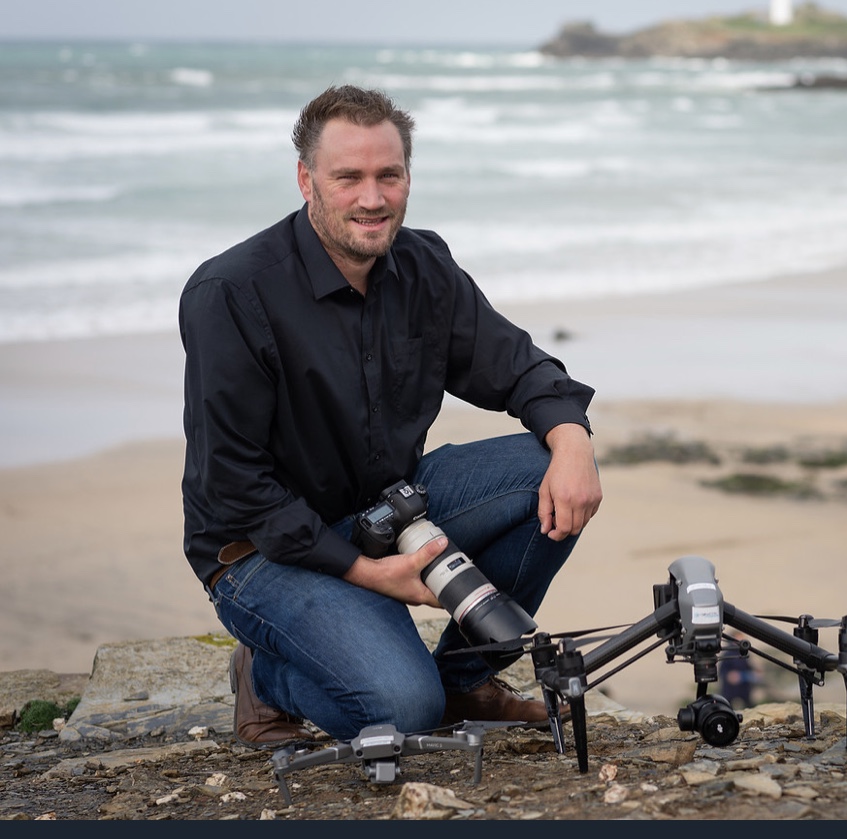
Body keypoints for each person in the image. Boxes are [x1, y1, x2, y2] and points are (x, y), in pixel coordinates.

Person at [179, 85, 603, 749]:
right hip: (261, 551)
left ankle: (465, 679)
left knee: (552, 471)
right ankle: (265, 678)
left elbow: (517, 365)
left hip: (385, 513)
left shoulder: (423, 265)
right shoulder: (230, 293)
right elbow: (235, 487)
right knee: (404, 710)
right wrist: (367, 573)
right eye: (348, 177)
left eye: (389, 175)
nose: (372, 198)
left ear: (408, 176)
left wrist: (574, 440)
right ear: (306, 180)